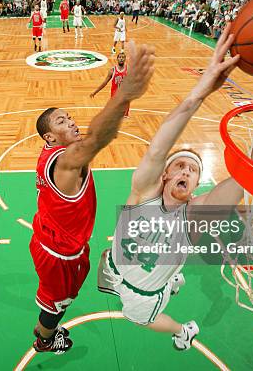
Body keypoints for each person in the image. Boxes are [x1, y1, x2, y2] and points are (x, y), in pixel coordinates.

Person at [97, 27, 253, 350]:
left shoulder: (195, 216)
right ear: (163, 176)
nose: (186, 170)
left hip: (144, 292)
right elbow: (155, 150)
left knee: (139, 317)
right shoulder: (141, 195)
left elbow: (249, 173)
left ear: (195, 188)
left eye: (193, 170)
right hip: (116, 268)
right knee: (119, 266)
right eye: (179, 165)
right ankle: (171, 279)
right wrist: (201, 89)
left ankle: (183, 330)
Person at [31, 42, 155, 354]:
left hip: (60, 240)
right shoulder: (66, 162)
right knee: (57, 303)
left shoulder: (59, 154)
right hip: (59, 253)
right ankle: (44, 339)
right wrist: (124, 94)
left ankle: (50, 324)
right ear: (49, 137)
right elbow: (100, 136)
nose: (71, 121)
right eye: (61, 121)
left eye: (69, 116)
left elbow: (99, 136)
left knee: (63, 297)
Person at [90, 52, 129, 117]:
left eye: (123, 57)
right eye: (120, 57)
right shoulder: (112, 70)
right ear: (117, 59)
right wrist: (95, 92)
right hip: (114, 97)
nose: (121, 59)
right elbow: (104, 83)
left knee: (123, 119)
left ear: (125, 59)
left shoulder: (129, 70)